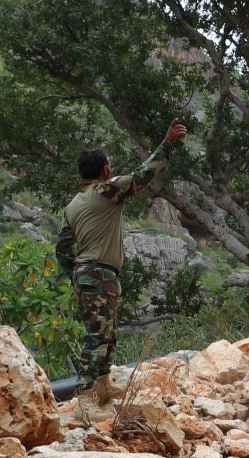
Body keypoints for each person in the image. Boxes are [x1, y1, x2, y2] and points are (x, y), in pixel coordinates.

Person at [56, 119, 186, 406]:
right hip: (100, 273)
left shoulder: (72, 205)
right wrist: (167, 144)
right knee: (98, 336)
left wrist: (77, 274)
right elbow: (142, 175)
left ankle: (100, 393)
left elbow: (62, 248)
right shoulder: (106, 190)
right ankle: (85, 398)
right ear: (105, 170)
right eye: (110, 166)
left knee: (106, 334)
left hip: (87, 273)